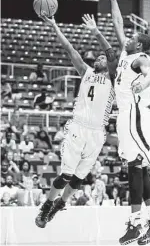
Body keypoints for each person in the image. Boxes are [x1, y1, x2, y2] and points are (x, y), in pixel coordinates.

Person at [35, 12, 115, 228]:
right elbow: (69, 49)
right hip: (78, 128)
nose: (99, 58)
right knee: (66, 175)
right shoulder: (85, 71)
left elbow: (111, 55)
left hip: (97, 133)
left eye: (102, 58)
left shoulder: (114, 80)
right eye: (97, 58)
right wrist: (54, 25)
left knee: (79, 179)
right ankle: (47, 205)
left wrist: (97, 32)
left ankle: (61, 203)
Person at [107, 0, 150, 245]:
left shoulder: (141, 58)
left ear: (140, 45)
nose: (128, 38)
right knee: (136, 169)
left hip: (137, 114)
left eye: (133, 38)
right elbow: (118, 22)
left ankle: (141, 223)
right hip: (126, 115)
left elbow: (149, 71)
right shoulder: (125, 54)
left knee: (136, 168)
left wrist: (147, 79)